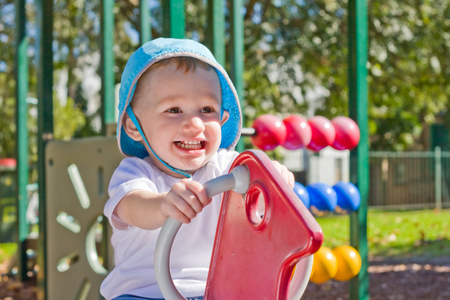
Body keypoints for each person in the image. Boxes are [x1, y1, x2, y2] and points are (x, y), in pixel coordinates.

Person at [100, 38, 294, 300]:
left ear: (222, 118)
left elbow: (258, 187)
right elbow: (133, 206)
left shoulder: (228, 168)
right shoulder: (135, 173)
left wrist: (276, 180)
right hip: (143, 293)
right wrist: (162, 205)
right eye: (174, 110)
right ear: (134, 125)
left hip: (218, 291)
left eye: (206, 109)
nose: (195, 124)